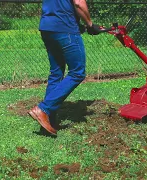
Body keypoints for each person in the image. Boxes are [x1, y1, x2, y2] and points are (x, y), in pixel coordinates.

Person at [28, 0, 101, 135]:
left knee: (56, 73)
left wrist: (77, 23)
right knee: (77, 72)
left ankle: (49, 119)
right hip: (65, 28)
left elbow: (58, 6)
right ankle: (43, 109)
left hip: (47, 28)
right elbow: (78, 3)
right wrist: (90, 24)